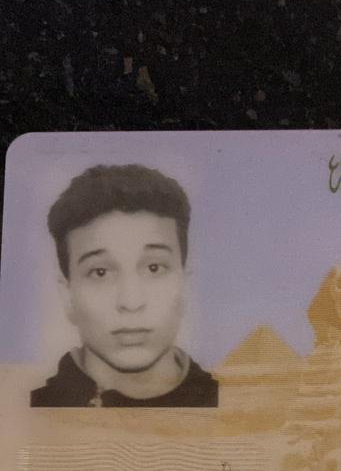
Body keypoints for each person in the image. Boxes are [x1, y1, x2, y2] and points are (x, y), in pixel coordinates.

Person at [30, 163, 218, 407]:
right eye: (100, 272)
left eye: (154, 268)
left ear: (185, 287)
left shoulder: (237, 409)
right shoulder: (28, 414)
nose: (131, 301)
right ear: (68, 296)